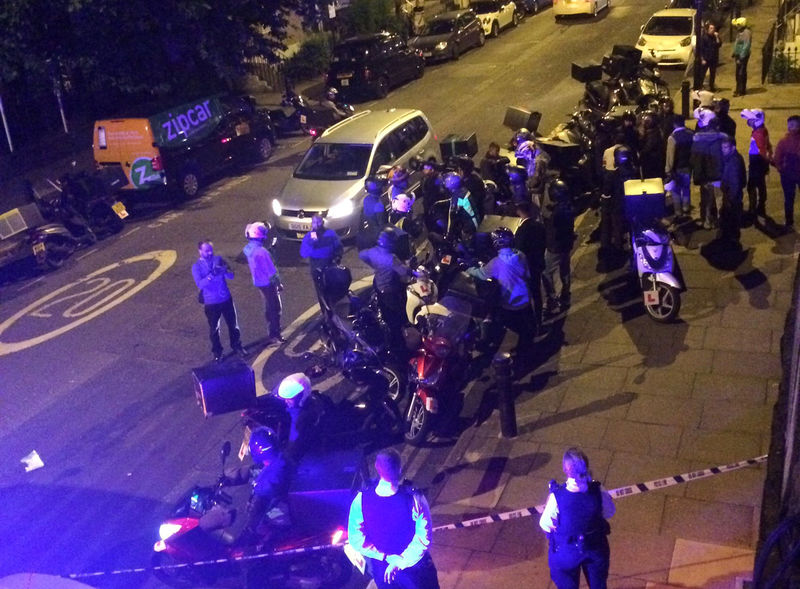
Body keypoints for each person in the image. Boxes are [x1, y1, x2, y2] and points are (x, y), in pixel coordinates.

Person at [348, 449, 440, 589]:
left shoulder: (360, 500)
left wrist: (383, 556)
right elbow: (424, 538)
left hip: (383, 571)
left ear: (377, 468)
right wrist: (399, 562)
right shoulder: (414, 498)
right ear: (399, 468)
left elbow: (356, 539)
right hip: (416, 571)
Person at [539, 447, 616, 589]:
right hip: (596, 549)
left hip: (566, 553)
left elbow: (544, 524)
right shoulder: (598, 490)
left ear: (565, 469)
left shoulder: (557, 497)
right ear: (586, 466)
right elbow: (610, 512)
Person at [468, 227, 538, 360]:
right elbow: (527, 274)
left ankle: (522, 352)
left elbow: (481, 274)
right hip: (526, 298)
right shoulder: (521, 255)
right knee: (527, 327)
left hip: (510, 303)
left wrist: (467, 267)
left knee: (508, 324)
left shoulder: (496, 263)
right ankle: (528, 345)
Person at [226, 427, 291, 544]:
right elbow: (251, 471)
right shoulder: (274, 462)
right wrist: (225, 479)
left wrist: (249, 530)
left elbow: (259, 504)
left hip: (277, 523)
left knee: (251, 550)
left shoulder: (274, 474)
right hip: (273, 518)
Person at [359, 227, 413, 351]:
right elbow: (404, 271)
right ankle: (399, 347)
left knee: (386, 316)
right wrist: (414, 272)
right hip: (391, 292)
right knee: (398, 320)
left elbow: (362, 255)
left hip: (379, 288)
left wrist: (375, 266)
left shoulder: (372, 252)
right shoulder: (391, 258)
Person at [192, 239, 246, 362]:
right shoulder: (196, 267)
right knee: (214, 329)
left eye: (211, 250)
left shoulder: (218, 259)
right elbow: (200, 284)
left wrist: (225, 270)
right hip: (211, 303)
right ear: (200, 251)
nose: (209, 253)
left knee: (233, 325)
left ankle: (237, 346)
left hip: (226, 298)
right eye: (206, 251)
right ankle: (217, 352)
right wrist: (211, 275)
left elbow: (231, 276)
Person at [243, 222, 284, 344]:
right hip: (268, 283)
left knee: (268, 306)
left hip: (259, 282)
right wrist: (278, 284)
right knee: (275, 308)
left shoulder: (248, 249)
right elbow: (271, 271)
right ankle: (275, 334)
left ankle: (271, 331)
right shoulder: (262, 252)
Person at [542, 180, 575, 315]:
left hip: (555, 247)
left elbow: (551, 225)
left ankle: (552, 299)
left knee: (546, 272)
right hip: (566, 245)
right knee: (564, 269)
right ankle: (565, 294)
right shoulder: (568, 206)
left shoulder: (556, 214)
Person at [275, 373, 324, 464]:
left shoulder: (301, 418)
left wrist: (281, 456)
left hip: (307, 453)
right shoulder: (313, 399)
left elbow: (293, 443)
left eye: (290, 399)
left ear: (301, 396)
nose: (286, 401)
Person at [690, 108, 726, 229]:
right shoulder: (722, 138)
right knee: (719, 198)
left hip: (704, 175)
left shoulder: (698, 138)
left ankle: (706, 221)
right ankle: (721, 220)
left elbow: (694, 158)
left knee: (706, 199)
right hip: (718, 174)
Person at [300, 214, 343, 309]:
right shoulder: (309, 237)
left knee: (333, 291)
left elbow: (338, 247)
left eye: (318, 222)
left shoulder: (330, 233)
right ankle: (326, 313)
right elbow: (304, 253)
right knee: (322, 294)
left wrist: (337, 257)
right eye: (314, 222)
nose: (316, 224)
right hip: (317, 270)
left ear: (323, 222)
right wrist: (312, 242)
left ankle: (336, 310)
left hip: (330, 267)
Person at [514, 200, 546, 326]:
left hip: (527, 267)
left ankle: (533, 323)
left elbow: (519, 251)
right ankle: (539, 320)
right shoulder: (539, 226)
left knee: (529, 295)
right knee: (537, 294)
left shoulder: (521, 231)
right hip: (538, 263)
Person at [741, 109, 773, 220]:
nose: (748, 121)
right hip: (761, 165)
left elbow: (762, 152)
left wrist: (767, 161)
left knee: (752, 187)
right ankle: (761, 206)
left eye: (750, 119)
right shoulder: (762, 130)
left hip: (756, 164)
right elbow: (768, 146)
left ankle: (753, 209)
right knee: (761, 185)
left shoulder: (758, 134)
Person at [772, 115, 800, 228]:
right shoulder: (784, 141)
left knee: (789, 198)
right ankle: (789, 220)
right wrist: (779, 167)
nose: (789, 127)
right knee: (788, 198)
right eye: (789, 125)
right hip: (788, 174)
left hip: (791, 173)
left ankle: (789, 222)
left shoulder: (785, 141)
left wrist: (780, 167)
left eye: (792, 125)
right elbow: (777, 157)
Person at [665, 115, 694, 216]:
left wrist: (668, 169)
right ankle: (686, 208)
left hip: (677, 168)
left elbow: (670, 156)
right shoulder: (691, 134)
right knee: (686, 188)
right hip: (688, 167)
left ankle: (678, 211)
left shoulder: (673, 137)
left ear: (674, 124)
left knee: (676, 190)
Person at [719, 135, 747, 244]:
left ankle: (732, 238)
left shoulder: (733, 162)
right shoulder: (732, 157)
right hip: (732, 194)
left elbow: (735, 182)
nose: (723, 150)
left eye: (725, 148)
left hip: (732, 196)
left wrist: (730, 199)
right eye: (722, 148)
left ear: (733, 148)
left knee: (732, 217)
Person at [638, 112, 665, 180]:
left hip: (653, 164)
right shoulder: (650, 133)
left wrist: (640, 154)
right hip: (650, 164)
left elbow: (647, 148)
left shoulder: (654, 134)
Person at [698, 22, 722, 92]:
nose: (712, 30)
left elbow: (719, 44)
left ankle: (712, 87)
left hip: (713, 58)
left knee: (712, 74)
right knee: (702, 74)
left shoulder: (715, 37)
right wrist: (702, 59)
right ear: (708, 29)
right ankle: (700, 86)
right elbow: (701, 49)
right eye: (711, 28)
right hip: (706, 58)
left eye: (713, 28)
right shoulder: (704, 38)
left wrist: (717, 37)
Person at [732, 18, 752, 97]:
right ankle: (738, 89)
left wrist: (741, 57)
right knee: (738, 73)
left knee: (741, 73)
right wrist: (734, 52)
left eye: (738, 25)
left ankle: (741, 90)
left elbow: (746, 46)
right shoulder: (740, 32)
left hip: (742, 56)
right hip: (738, 54)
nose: (737, 27)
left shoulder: (746, 33)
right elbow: (737, 43)